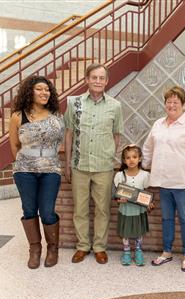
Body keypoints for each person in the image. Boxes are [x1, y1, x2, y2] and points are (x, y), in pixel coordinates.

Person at [142, 86, 185, 272]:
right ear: (165, 104)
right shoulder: (158, 124)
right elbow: (148, 148)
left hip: (184, 181)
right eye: (168, 102)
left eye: (176, 102)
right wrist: (143, 166)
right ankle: (167, 252)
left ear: (184, 105)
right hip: (163, 181)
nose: (171, 105)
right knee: (167, 218)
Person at [64, 63, 123, 264]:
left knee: (102, 210)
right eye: (94, 77)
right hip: (79, 166)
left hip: (103, 168)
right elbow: (69, 134)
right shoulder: (75, 103)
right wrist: (67, 164)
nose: (98, 81)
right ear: (86, 79)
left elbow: (116, 136)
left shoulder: (115, 106)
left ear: (107, 81)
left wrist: (108, 155)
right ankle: (82, 246)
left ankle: (99, 247)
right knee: (80, 209)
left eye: (101, 78)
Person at [9, 75, 64, 269]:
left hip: (51, 168)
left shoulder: (56, 115)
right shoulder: (18, 116)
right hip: (24, 170)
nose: (44, 93)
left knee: (47, 210)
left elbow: (61, 141)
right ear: (30, 92)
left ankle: (53, 248)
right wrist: (25, 163)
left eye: (47, 89)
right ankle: (34, 249)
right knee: (29, 209)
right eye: (39, 89)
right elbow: (15, 145)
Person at [114, 144, 152, 266]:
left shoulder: (145, 175)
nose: (131, 160)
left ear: (140, 158)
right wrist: (119, 200)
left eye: (134, 157)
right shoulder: (120, 175)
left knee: (138, 231)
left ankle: (138, 251)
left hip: (139, 210)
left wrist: (149, 202)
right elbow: (116, 195)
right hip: (125, 209)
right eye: (128, 157)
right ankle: (126, 252)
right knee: (125, 231)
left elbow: (146, 193)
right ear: (124, 160)